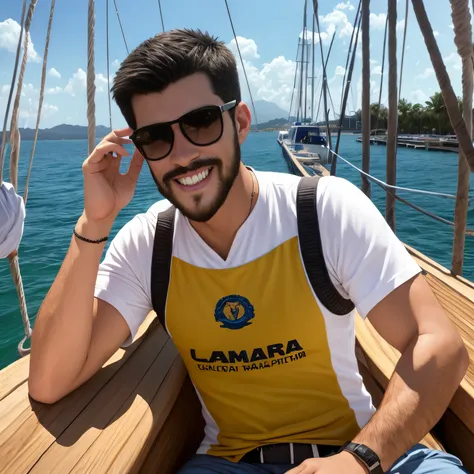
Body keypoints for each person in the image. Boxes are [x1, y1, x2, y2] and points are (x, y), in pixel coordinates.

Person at [29, 29, 469, 474]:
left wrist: (358, 460)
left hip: (357, 450)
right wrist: (94, 224)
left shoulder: (323, 211)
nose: (182, 154)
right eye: (157, 137)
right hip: (231, 462)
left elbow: (440, 344)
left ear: (239, 122)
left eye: (201, 122)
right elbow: (50, 381)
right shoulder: (147, 246)